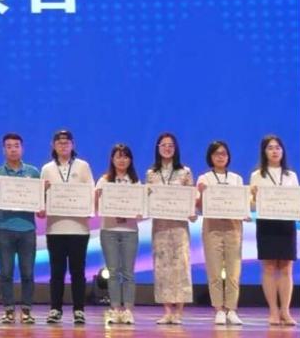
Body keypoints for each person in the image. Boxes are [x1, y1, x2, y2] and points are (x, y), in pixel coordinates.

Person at [41, 129, 94, 325]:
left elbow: (91, 192)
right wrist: (42, 202)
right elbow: (40, 196)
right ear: (53, 146)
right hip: (55, 228)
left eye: (67, 142)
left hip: (79, 228)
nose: (63, 145)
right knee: (57, 272)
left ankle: (79, 310)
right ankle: (55, 309)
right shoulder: (46, 169)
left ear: (73, 145)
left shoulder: (83, 166)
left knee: (78, 272)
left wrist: (89, 209)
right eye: (59, 142)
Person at [0, 133, 40, 324]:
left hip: (28, 228)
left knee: (28, 273)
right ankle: (8, 310)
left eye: (16, 146)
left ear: (22, 148)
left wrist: (44, 192)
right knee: (6, 272)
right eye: (9, 146)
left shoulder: (33, 173)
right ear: (3, 150)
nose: (13, 149)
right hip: (5, 228)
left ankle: (26, 310)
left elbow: (39, 202)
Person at [146, 132, 195, 325]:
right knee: (162, 267)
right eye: (163, 145)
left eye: (171, 145)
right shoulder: (151, 173)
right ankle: (167, 311)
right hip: (160, 226)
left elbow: (191, 198)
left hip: (179, 226)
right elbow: (147, 198)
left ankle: (179, 312)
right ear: (158, 149)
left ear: (175, 149)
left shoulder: (185, 172)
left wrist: (191, 212)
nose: (167, 148)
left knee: (181, 266)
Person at [249, 134, 298, 326]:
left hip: (286, 224)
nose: (274, 151)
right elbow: (252, 206)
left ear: (283, 151)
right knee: (269, 267)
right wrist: (253, 198)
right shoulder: (257, 175)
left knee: (286, 267)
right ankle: (273, 311)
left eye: (278, 147)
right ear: (264, 152)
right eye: (270, 148)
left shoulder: (291, 176)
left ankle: (285, 311)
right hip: (266, 224)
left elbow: (297, 202)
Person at [196, 140, 245, 326]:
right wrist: (201, 194)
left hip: (233, 228)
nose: (220, 157)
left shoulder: (236, 179)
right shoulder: (204, 179)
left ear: (228, 156)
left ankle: (231, 309)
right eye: (216, 153)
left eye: (224, 153)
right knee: (214, 271)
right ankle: (218, 309)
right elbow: (198, 206)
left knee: (233, 272)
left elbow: (242, 204)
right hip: (212, 229)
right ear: (210, 157)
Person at [94, 143, 141, 325]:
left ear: (130, 160)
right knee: (113, 272)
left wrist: (140, 211)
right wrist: (98, 198)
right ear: (112, 160)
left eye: (125, 156)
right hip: (109, 231)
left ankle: (128, 310)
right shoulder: (104, 180)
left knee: (128, 272)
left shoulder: (135, 182)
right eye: (118, 156)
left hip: (130, 231)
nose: (122, 160)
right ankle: (114, 309)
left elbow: (141, 208)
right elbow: (95, 207)